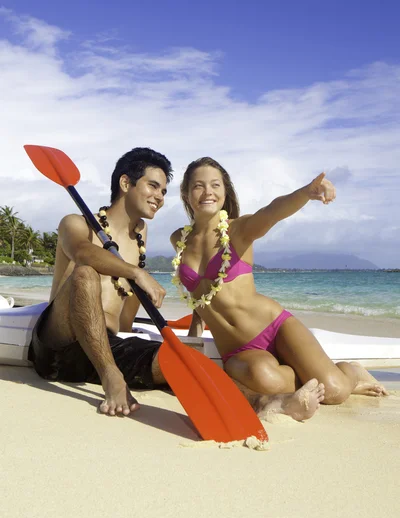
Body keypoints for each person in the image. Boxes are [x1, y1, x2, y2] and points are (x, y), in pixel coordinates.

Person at [170, 157, 388, 420]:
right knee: (266, 380)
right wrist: (195, 333)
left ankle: (351, 372)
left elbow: (272, 211)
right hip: (238, 350)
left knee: (334, 392)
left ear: (225, 191)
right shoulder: (179, 240)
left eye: (215, 185)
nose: (208, 192)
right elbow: (200, 294)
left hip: (273, 326)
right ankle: (311, 371)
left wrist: (306, 193)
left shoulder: (239, 230)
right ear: (186, 192)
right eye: (198, 186)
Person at [29, 147, 173, 416]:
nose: (160, 197)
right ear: (125, 182)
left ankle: (256, 398)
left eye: (164, 191)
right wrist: (137, 272)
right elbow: (83, 253)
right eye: (153, 186)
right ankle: (111, 378)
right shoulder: (75, 223)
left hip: (106, 347)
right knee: (85, 272)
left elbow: (126, 315)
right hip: (59, 346)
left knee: (173, 362)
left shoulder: (140, 237)